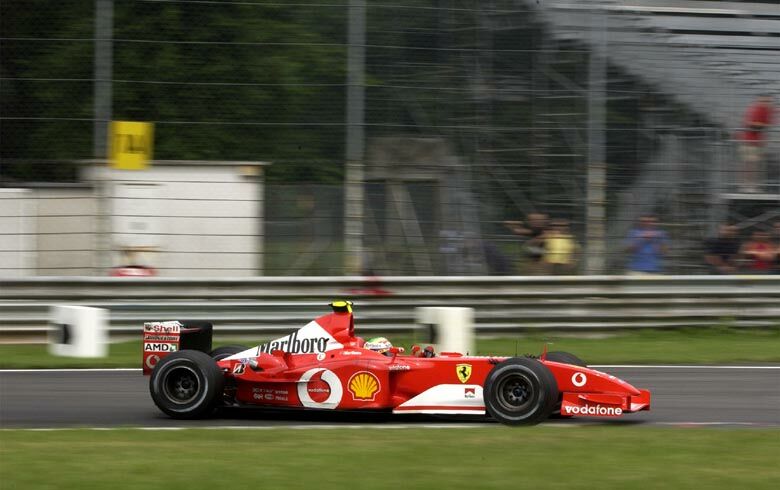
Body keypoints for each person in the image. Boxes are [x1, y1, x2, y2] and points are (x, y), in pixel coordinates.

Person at [738, 94, 774, 192]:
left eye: (768, 101)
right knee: (750, 164)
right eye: (765, 101)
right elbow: (752, 126)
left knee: (754, 164)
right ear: (758, 100)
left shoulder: (766, 110)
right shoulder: (755, 109)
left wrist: (762, 125)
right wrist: (762, 125)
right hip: (749, 141)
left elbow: (766, 124)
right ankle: (748, 186)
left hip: (757, 141)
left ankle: (752, 185)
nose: (767, 103)